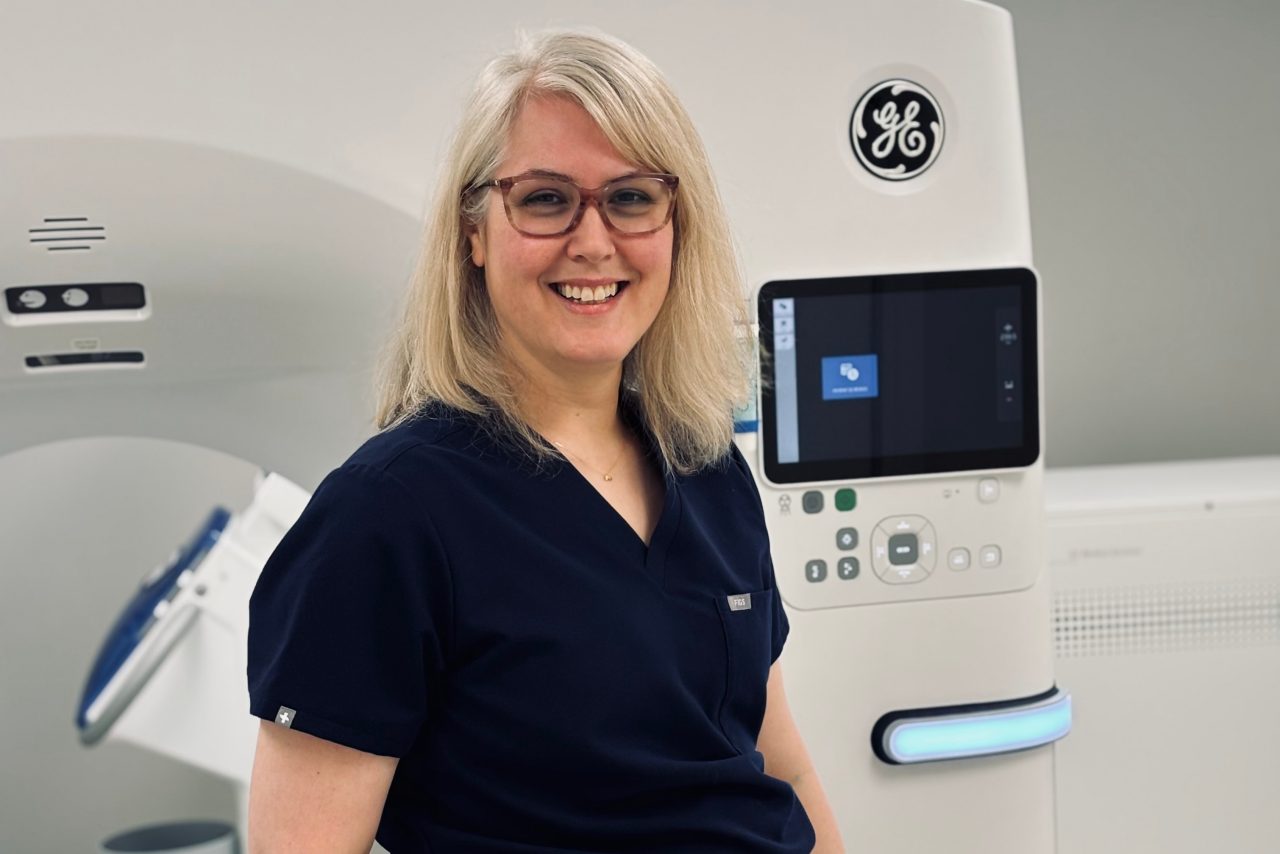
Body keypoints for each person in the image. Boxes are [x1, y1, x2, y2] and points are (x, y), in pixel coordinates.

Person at [246, 29, 843, 853]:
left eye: (632, 197)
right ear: (475, 232)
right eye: (545, 199)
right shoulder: (387, 515)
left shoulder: (705, 464)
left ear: (676, 225)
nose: (593, 242)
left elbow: (784, 772)